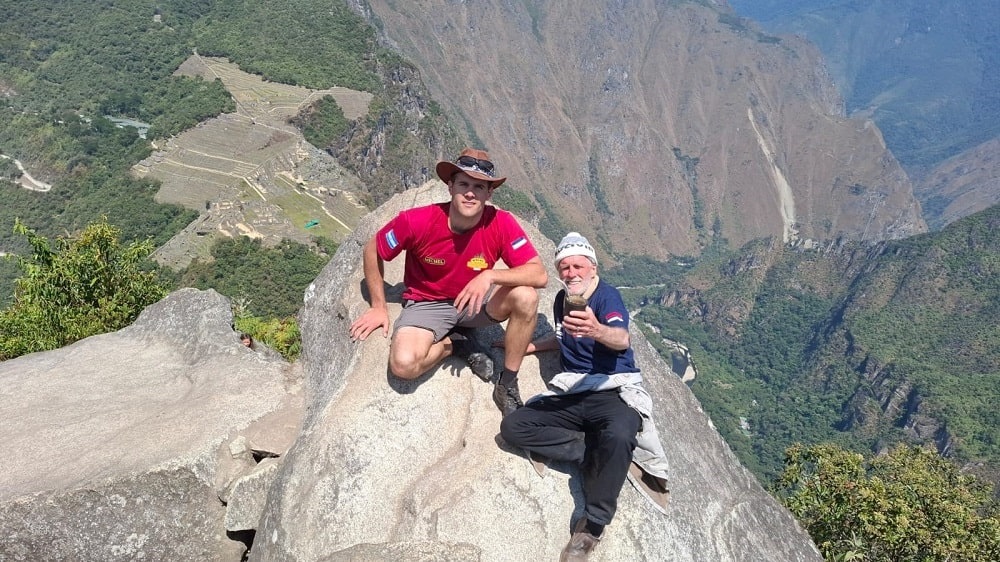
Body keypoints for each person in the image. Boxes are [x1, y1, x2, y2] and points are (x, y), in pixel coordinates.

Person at [499, 232, 669, 562]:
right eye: (564, 267)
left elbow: (621, 338)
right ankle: (589, 451)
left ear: (592, 267)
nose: (571, 272)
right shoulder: (564, 300)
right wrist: (530, 346)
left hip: (612, 390)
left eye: (577, 265)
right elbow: (563, 337)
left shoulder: (607, 298)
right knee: (514, 427)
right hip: (574, 391)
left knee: (620, 435)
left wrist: (597, 330)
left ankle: (592, 526)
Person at [349, 148, 548, 416]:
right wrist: (378, 306)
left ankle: (507, 384)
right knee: (404, 365)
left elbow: (539, 275)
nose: (470, 193)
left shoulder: (501, 223)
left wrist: (490, 275)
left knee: (526, 296)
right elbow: (373, 249)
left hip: (476, 302)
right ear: (450, 186)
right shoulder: (417, 221)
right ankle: (456, 344)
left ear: (489, 194)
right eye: (463, 184)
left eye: (479, 187)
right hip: (428, 303)